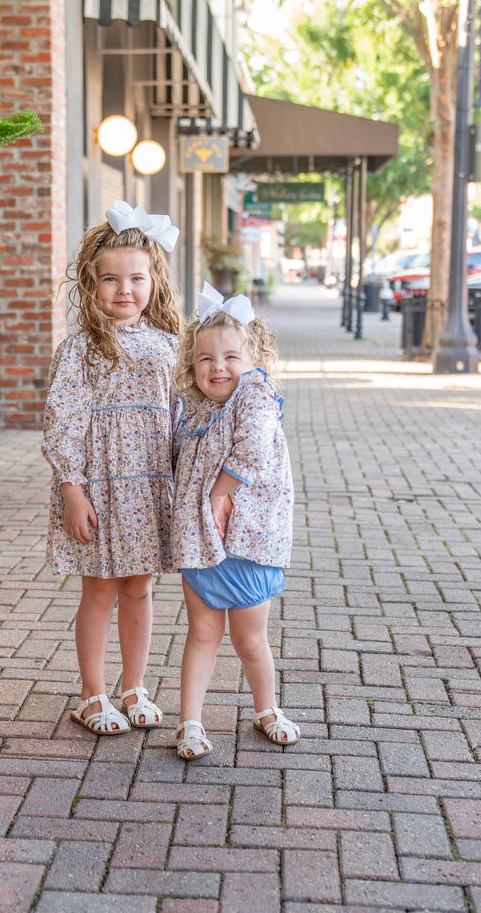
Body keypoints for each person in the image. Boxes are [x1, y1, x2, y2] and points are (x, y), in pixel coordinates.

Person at [42, 200, 181, 735]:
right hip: (97, 488)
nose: (125, 290)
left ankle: (134, 685)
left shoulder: (172, 347)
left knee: (139, 587)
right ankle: (92, 692)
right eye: (111, 280)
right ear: (91, 283)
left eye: (136, 279)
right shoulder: (80, 348)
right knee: (99, 588)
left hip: (148, 489)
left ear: (154, 282)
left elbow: (181, 420)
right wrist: (71, 488)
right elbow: (64, 419)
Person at [171, 282, 298, 759]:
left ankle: (266, 709)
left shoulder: (256, 396)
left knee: (250, 639)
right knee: (201, 633)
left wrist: (221, 493)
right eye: (205, 359)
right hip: (200, 540)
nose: (217, 367)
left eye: (230, 357)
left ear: (253, 360)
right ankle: (190, 722)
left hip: (249, 541)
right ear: (192, 365)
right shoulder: (195, 406)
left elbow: (253, 447)